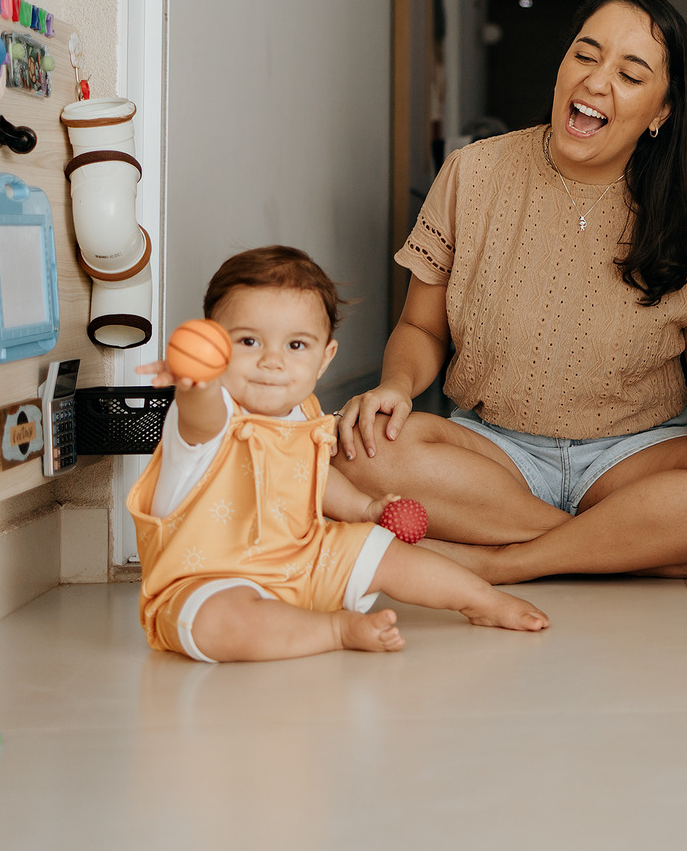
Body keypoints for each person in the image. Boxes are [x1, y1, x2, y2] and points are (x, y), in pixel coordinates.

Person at [334, 0, 687, 583]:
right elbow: (422, 326)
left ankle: (503, 562)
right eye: (585, 55)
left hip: (633, 457)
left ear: (661, 112)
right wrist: (395, 386)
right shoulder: (473, 172)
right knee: (356, 449)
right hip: (495, 454)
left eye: (630, 75)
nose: (596, 83)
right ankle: (626, 548)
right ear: (562, 66)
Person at [126, 246, 549, 662]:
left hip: (303, 560)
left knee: (384, 551)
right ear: (215, 346)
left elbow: (312, 475)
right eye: (249, 341)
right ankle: (335, 630)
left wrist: (365, 509)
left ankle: (482, 600)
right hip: (209, 579)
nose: (272, 362)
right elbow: (201, 415)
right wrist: (192, 381)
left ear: (324, 358)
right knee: (216, 622)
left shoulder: (303, 416)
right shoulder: (209, 414)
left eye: (296, 346)